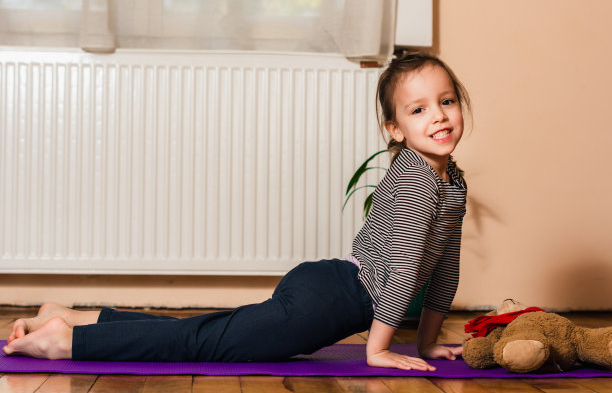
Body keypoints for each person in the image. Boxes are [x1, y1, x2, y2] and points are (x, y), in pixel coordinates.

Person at [3, 52, 470, 371]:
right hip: (326, 304)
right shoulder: (417, 181)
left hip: (330, 288)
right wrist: (378, 350)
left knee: (204, 332)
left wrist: (427, 342)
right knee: (199, 345)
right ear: (395, 127)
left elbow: (443, 269)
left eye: (446, 101)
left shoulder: (451, 181)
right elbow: (405, 269)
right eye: (419, 109)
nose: (439, 116)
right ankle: (64, 343)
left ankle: (73, 318)